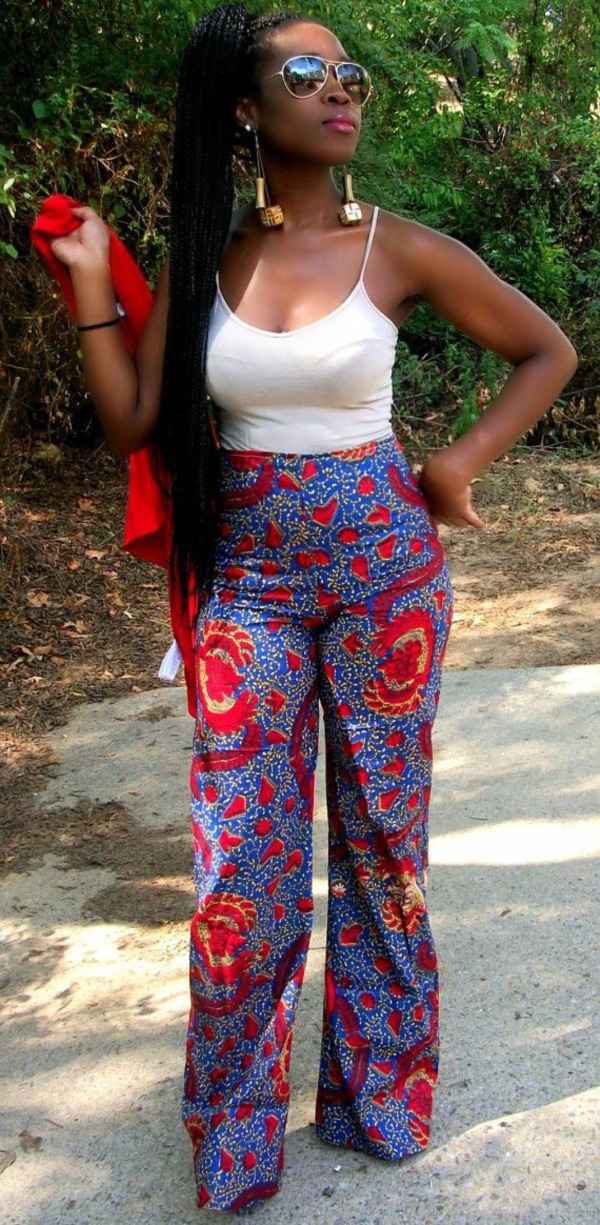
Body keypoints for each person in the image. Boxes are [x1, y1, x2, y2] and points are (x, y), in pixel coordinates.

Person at [48, 2, 577, 1214]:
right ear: (245, 107)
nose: (339, 89)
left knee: (384, 841)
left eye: (349, 74)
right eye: (305, 71)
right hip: (248, 583)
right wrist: (89, 283)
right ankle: (236, 1128)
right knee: (245, 860)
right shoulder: (208, 253)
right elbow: (135, 422)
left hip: (388, 577)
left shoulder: (400, 248)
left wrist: (456, 464)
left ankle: (378, 1093)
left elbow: (547, 350)